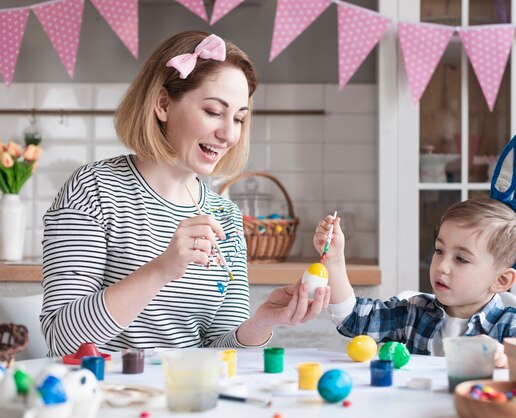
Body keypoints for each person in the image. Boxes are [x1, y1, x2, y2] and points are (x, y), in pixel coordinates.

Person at [41, 31, 330, 356]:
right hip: (109, 398)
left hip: (190, 398)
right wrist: (161, 269)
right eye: (213, 112)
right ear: (163, 104)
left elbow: (220, 349)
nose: (229, 134)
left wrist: (261, 323)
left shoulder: (226, 217)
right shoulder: (94, 189)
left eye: (238, 118)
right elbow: (61, 339)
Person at [314, 133, 516, 367]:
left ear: (501, 280)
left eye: (461, 258)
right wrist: (334, 261)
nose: (442, 265)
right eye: (439, 251)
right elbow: (352, 318)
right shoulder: (413, 313)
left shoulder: (512, 326)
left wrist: (505, 357)